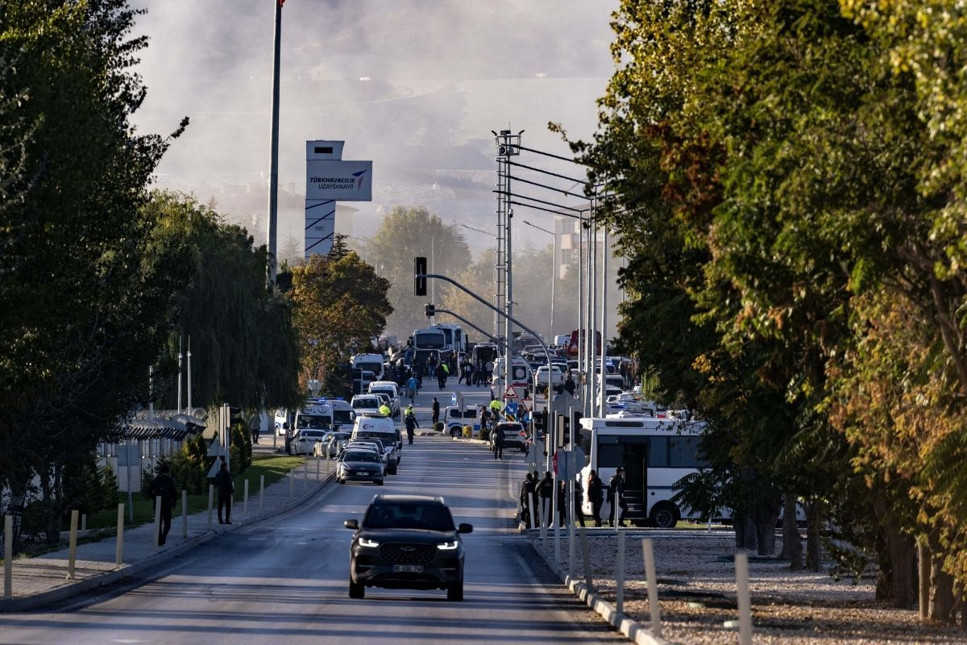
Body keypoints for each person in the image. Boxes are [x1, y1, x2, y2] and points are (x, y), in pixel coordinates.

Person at [147, 463, 178, 546]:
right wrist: (174, 503)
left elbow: (149, 490)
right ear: (168, 471)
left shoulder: (156, 479)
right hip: (167, 503)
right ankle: (164, 535)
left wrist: (154, 497)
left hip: (158, 502)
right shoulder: (170, 480)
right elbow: (174, 493)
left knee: (158, 521)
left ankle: (159, 536)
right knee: (167, 521)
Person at [215, 460, 235, 525]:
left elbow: (216, 483)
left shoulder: (218, 474)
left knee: (220, 506)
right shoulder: (227, 473)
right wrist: (232, 490)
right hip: (227, 492)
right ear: (225, 467)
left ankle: (220, 519)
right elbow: (229, 483)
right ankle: (227, 520)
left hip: (220, 492)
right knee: (227, 506)